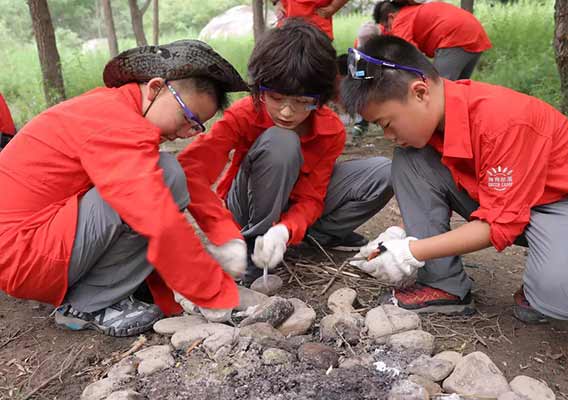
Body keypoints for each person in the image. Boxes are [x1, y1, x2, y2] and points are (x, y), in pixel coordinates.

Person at [341, 35, 568, 323]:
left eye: (386, 124)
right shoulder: (438, 119)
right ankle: (444, 285)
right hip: (515, 200)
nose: (388, 136)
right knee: (409, 157)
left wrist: (410, 252)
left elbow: (499, 223)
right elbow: (485, 200)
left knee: (564, 296)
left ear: (420, 93)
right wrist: (399, 234)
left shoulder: (502, 121)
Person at [0, 40, 249, 336]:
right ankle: (89, 304)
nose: (186, 132)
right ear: (155, 88)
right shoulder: (116, 124)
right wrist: (213, 293)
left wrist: (224, 237)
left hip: (29, 242)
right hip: (23, 253)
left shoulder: (112, 107)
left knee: (161, 175)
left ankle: (105, 286)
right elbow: (158, 219)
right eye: (187, 118)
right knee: (161, 179)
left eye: (196, 127)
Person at [178, 19, 393, 286]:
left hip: (291, 212)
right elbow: (192, 169)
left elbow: (313, 196)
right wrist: (219, 229)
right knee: (282, 141)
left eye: (303, 102)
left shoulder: (330, 129)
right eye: (276, 98)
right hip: (246, 208)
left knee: (384, 172)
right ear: (259, 90)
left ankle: (306, 238)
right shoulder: (244, 114)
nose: (287, 111)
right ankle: (251, 244)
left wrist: (284, 231)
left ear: (321, 99)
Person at [384, 0, 492, 80]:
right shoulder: (418, 9)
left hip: (456, 37)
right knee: (460, 88)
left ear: (390, 17)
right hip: (475, 33)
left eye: (387, 27)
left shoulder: (400, 19)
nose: (390, 32)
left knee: (437, 87)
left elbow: (408, 51)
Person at [273, 0, 351, 40]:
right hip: (286, 27)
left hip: (317, 29)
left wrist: (333, 7)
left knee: (318, 65)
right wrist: (277, 2)